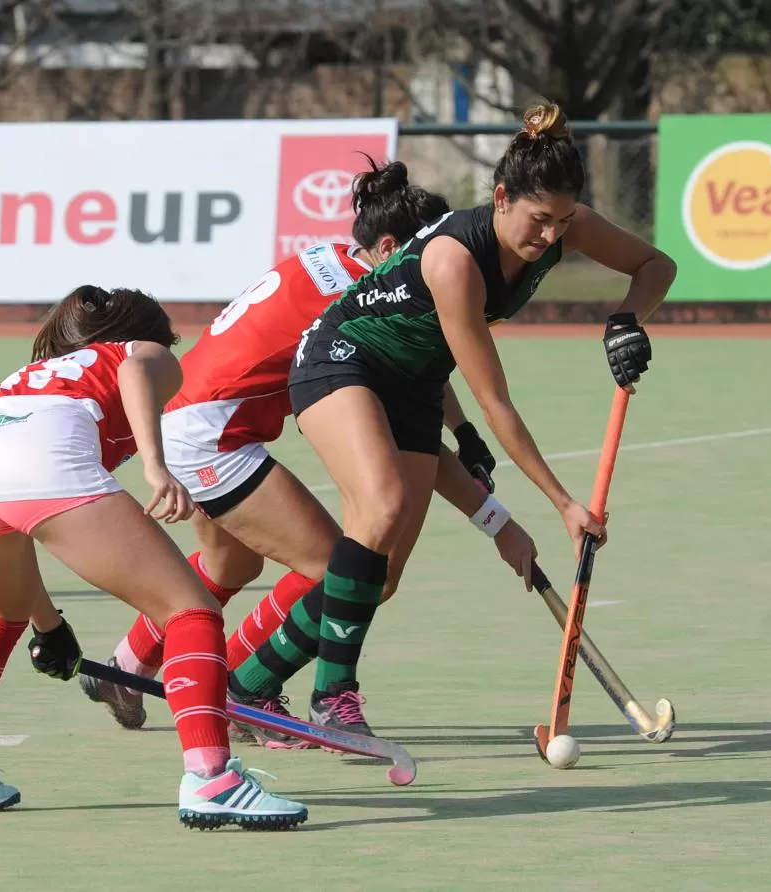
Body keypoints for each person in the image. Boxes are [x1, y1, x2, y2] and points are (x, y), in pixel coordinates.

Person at [228, 101, 677, 737]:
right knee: (378, 510)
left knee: (376, 581)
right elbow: (496, 402)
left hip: (414, 383)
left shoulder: (566, 226)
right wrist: (562, 504)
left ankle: (245, 685)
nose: (550, 236)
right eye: (538, 220)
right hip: (342, 357)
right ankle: (334, 698)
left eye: (564, 221)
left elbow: (657, 267)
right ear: (500, 197)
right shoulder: (453, 260)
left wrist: (627, 318)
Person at [79, 158, 538, 746]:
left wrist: (463, 429)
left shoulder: (336, 261)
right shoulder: (366, 293)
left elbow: (415, 363)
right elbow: (409, 384)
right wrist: (485, 502)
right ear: (395, 248)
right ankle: (243, 692)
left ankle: (127, 666)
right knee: (338, 566)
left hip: (188, 414)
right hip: (213, 433)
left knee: (231, 565)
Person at [0, 286, 307, 830]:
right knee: (189, 611)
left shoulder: (45, 372)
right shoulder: (144, 351)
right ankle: (214, 780)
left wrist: (50, 627)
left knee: (1, 610)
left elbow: (21, 530)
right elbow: (141, 370)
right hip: (38, 456)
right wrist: (156, 466)